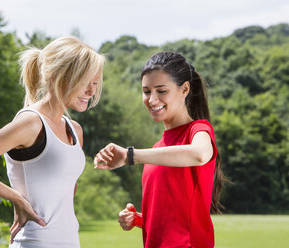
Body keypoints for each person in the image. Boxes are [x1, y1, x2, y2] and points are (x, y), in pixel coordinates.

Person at [0, 36, 105, 247]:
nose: (91, 91)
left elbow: (62, 191)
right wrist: (16, 198)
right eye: (85, 82)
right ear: (59, 76)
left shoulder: (75, 130)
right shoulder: (30, 123)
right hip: (34, 241)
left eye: (95, 83)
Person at [94, 51, 226, 248]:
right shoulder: (158, 148)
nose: (152, 99)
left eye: (161, 91)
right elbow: (171, 213)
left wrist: (131, 156)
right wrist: (138, 219)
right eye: (146, 91)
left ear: (185, 89)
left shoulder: (198, 131)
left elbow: (199, 154)